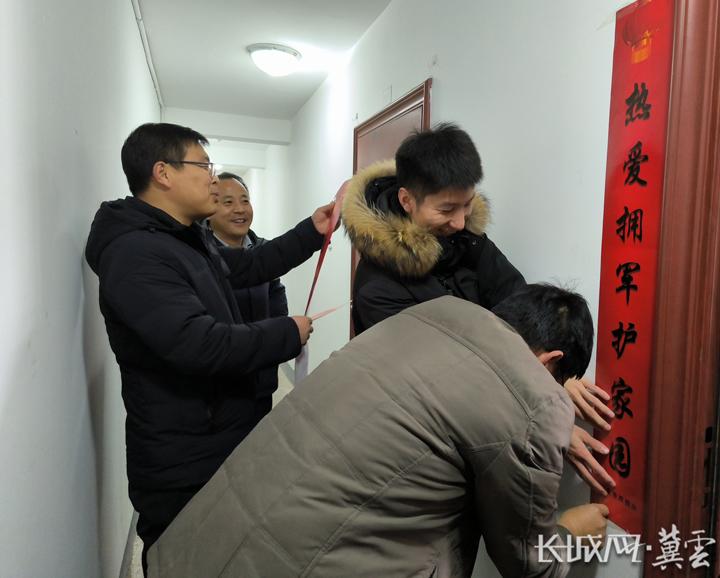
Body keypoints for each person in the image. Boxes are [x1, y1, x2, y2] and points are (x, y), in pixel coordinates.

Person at [147, 285, 609, 578]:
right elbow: (526, 562)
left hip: (199, 544)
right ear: (551, 362)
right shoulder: (530, 405)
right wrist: (569, 532)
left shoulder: (425, 319)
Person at [85, 122, 335, 574]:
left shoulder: (181, 239)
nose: (214, 180)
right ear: (163, 173)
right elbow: (199, 344)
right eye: (203, 166)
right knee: (186, 560)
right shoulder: (135, 253)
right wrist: (286, 333)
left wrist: (311, 232)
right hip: (184, 458)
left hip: (218, 436)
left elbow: (248, 265)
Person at [343, 123, 616, 497]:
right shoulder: (378, 288)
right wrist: (546, 419)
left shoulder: (466, 240)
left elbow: (519, 309)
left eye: (467, 204)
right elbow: (446, 381)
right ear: (407, 201)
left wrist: (557, 376)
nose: (459, 222)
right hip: (414, 446)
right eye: (446, 209)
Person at [207, 171, 288, 403]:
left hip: (262, 380)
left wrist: (283, 336)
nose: (240, 209)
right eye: (228, 202)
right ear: (209, 209)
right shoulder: (201, 257)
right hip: (220, 386)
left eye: (245, 201)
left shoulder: (264, 251)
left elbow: (277, 304)